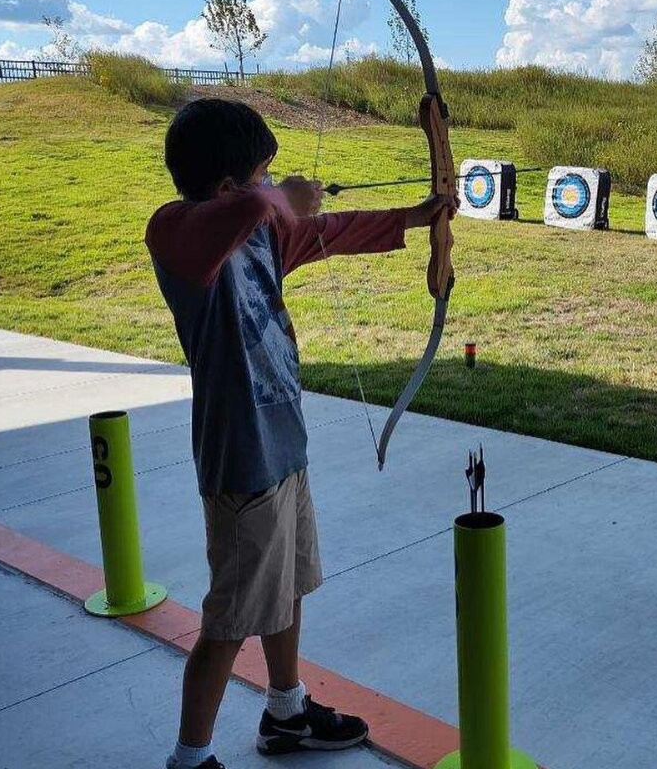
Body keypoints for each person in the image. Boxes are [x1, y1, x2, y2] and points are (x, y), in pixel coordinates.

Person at [147, 98, 457, 769]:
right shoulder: (177, 233)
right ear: (229, 186)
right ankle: (188, 758)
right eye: (263, 173)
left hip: (283, 444)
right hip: (239, 455)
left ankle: (286, 713)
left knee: (285, 584)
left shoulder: (261, 230)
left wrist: (415, 217)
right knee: (229, 619)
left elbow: (336, 229)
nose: (272, 184)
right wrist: (274, 200)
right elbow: (204, 229)